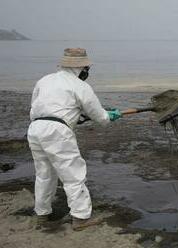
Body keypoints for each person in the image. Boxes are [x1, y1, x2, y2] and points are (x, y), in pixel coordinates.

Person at [27, 48, 122, 231]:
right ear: (82, 68)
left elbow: (37, 109)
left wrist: (75, 117)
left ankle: (42, 215)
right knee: (73, 175)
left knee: (44, 174)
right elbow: (100, 117)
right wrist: (111, 115)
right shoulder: (80, 86)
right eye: (86, 68)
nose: (87, 71)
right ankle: (80, 218)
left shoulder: (44, 80)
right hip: (57, 132)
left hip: (35, 128)